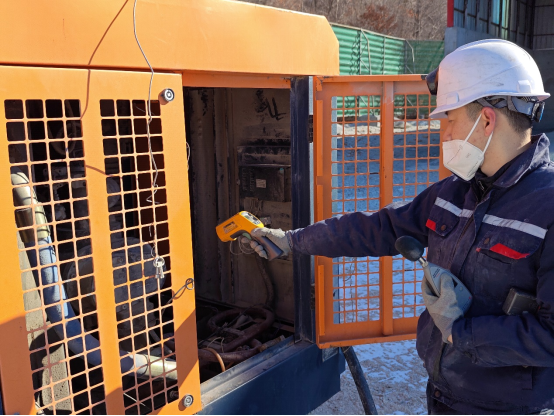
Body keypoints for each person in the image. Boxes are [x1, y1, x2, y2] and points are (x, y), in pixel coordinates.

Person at [244, 39, 554, 414]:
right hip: (442, 393)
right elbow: (378, 228)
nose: (444, 135)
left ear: (487, 120)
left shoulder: (547, 208)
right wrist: (292, 241)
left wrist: (461, 331)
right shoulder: (454, 193)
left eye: (450, 120)